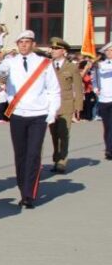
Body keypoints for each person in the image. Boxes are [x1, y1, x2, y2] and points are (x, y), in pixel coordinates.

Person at [0, 30, 61, 209]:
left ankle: (29, 194)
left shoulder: (44, 63)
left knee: (33, 153)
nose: (23, 45)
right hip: (17, 114)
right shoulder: (10, 62)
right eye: (20, 42)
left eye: (27, 42)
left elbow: (53, 89)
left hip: (38, 114)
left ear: (33, 44)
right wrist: (0, 75)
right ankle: (23, 187)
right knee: (20, 154)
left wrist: (52, 112)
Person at [48, 37, 83, 174]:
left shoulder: (72, 67)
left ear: (63, 51)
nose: (53, 50)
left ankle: (62, 161)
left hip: (66, 104)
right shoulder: (48, 66)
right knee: (54, 134)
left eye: (56, 49)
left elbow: (78, 88)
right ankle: (56, 158)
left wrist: (78, 106)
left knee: (64, 133)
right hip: (51, 105)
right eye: (52, 48)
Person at [94, 42, 112, 160]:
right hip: (104, 99)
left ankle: (110, 150)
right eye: (108, 51)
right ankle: (108, 147)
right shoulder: (100, 65)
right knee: (107, 126)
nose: (110, 52)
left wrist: (96, 64)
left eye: (111, 50)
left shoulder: (101, 66)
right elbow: (94, 79)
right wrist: (96, 89)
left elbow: (107, 68)